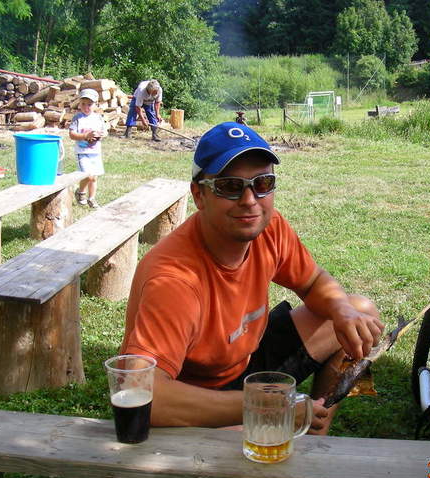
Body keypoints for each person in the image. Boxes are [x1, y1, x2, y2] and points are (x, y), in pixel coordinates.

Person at [120, 121, 384, 437]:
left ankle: (315, 438)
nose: (249, 200)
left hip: (246, 361)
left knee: (359, 312)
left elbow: (313, 281)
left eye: (263, 183)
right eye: (230, 186)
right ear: (199, 195)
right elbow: (144, 394)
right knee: (243, 460)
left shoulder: (268, 227)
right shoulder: (174, 280)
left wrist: (341, 310)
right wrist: (267, 404)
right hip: (193, 394)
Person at [69, 88, 106, 209]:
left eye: (89, 104)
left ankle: (92, 198)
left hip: (95, 152)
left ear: (95, 104)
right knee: (87, 175)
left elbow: (104, 132)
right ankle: (81, 192)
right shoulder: (77, 118)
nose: (86, 107)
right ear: (79, 104)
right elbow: (72, 135)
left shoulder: (98, 118)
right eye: (83, 104)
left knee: (94, 177)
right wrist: (85, 136)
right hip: (82, 152)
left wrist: (100, 135)